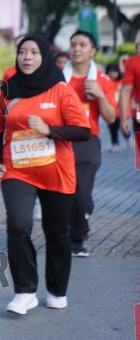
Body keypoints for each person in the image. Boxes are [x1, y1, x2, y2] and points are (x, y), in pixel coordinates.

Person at [0, 35, 90, 314]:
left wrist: (49, 130)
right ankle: (24, 291)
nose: (27, 57)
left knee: (56, 232)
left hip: (56, 172)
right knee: (18, 225)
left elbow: (83, 130)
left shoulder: (61, 90)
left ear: (44, 57)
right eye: (22, 52)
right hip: (17, 171)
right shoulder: (4, 91)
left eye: (33, 52)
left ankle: (56, 290)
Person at [62, 30, 116, 257]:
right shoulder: (57, 78)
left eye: (82, 45)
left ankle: (78, 238)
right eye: (73, 44)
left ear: (93, 51)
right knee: (68, 193)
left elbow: (111, 118)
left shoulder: (102, 80)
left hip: (87, 140)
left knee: (80, 195)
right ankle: (78, 223)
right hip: (61, 139)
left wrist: (100, 96)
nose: (76, 49)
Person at [105, 63, 129, 152]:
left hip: (122, 110)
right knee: (112, 128)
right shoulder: (105, 82)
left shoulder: (123, 82)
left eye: (114, 72)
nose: (112, 74)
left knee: (123, 127)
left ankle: (127, 136)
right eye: (110, 72)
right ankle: (115, 144)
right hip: (110, 110)